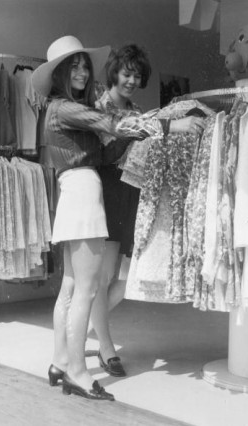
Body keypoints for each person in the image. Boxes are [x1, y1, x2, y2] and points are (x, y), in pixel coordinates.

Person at [31, 35, 206, 402]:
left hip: (78, 190)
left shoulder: (66, 108)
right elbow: (114, 125)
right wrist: (171, 126)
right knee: (86, 290)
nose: (80, 70)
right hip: (82, 191)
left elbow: (109, 143)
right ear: (59, 73)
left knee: (73, 288)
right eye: (72, 66)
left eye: (83, 64)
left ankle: (60, 361)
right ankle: (77, 371)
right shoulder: (65, 107)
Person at [89, 44, 152, 377]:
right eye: (127, 73)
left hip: (132, 191)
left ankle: (88, 322)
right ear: (115, 72)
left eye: (137, 75)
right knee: (103, 277)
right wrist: (133, 133)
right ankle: (106, 347)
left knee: (127, 279)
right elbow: (103, 155)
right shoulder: (100, 106)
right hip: (108, 188)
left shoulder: (137, 108)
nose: (131, 80)